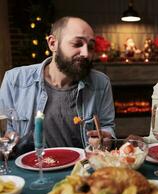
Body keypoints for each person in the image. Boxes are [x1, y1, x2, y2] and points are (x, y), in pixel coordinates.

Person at [0, 16, 115, 153]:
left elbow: (107, 126)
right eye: (77, 44)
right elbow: (4, 130)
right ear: (53, 43)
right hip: (28, 168)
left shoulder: (101, 83)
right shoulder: (14, 80)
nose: (86, 54)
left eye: (90, 47)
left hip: (80, 168)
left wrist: (107, 139)